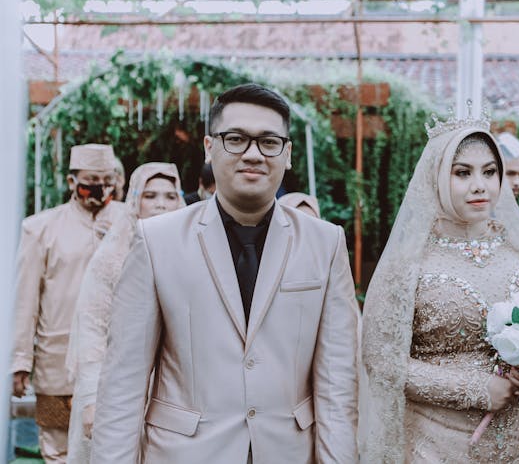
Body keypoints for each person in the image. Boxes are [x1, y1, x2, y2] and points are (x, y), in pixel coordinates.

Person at [91, 83, 360, 463]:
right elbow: (123, 384)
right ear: (209, 147)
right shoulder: (157, 241)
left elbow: (337, 388)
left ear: (288, 154)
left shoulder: (325, 242)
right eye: (236, 139)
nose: (253, 154)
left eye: (269, 142)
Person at [361, 114, 519, 463]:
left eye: (489, 172)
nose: (480, 185)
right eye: (463, 173)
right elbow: (382, 360)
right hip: (436, 446)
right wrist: (477, 390)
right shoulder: (407, 264)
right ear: (436, 177)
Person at [10, 143, 126, 464]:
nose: (100, 187)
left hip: (119, 360)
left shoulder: (130, 221)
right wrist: (20, 361)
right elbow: (25, 300)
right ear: (71, 181)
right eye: (91, 179)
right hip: (56, 363)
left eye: (107, 179)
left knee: (112, 448)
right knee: (58, 452)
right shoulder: (40, 229)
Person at [66, 162, 185, 464]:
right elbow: (92, 328)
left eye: (170, 196)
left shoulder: (193, 254)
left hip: (176, 394)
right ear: (134, 201)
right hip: (118, 390)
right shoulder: (111, 258)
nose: (161, 203)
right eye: (151, 195)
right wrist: (93, 400)